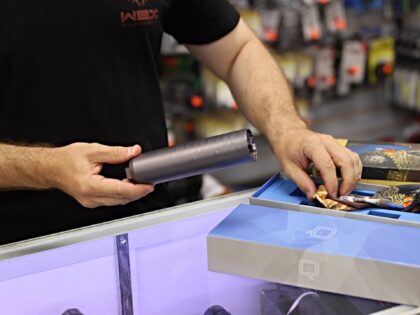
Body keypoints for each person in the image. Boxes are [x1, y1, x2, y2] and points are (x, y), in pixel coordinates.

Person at [0, 0, 361, 244]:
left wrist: (287, 129)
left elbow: (238, 50)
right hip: (19, 249)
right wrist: (47, 168)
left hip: (143, 230)